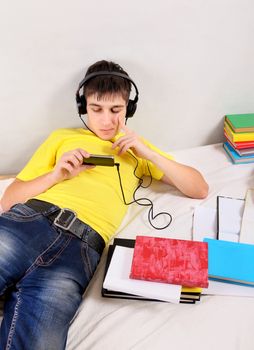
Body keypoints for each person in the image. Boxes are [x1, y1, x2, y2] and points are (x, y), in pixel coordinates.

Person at [0, 60, 208, 349]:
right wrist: (56, 174)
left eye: (116, 110)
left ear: (129, 110)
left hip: (80, 251)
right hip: (32, 221)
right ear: (83, 106)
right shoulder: (63, 138)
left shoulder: (136, 149)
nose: (106, 120)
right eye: (96, 109)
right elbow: (8, 201)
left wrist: (148, 153)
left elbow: (199, 188)